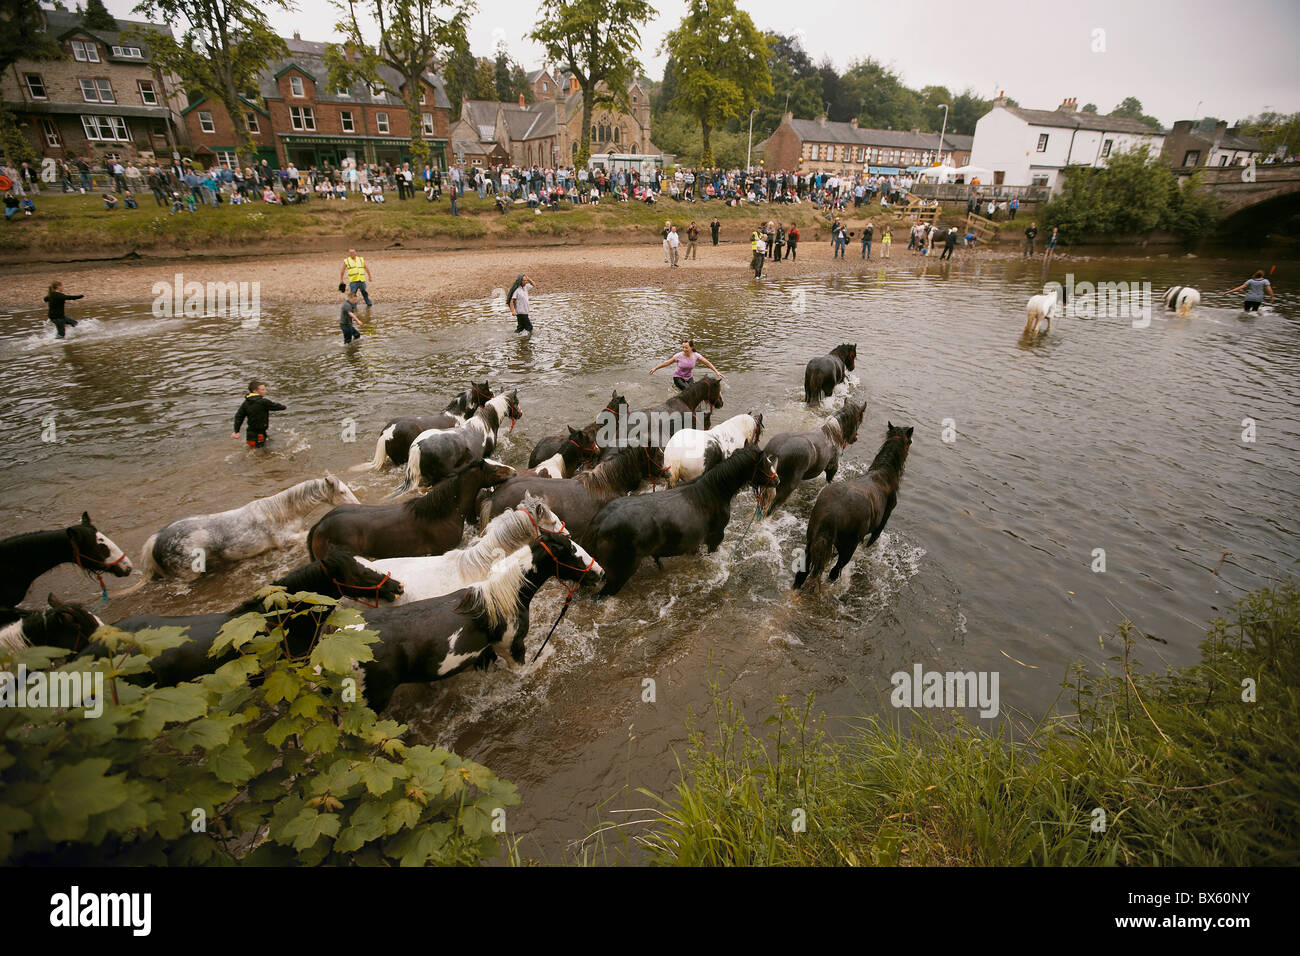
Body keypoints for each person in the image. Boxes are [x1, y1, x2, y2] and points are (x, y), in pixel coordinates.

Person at [649, 339, 724, 391]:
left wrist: (716, 372)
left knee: (695, 391)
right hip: (678, 378)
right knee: (689, 391)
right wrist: (655, 368)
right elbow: (667, 362)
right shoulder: (678, 356)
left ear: (691, 347)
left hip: (689, 378)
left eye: (686, 347)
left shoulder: (696, 355)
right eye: (683, 347)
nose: (684, 349)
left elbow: (707, 363)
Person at [231, 380, 285, 449]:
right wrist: (284, 406)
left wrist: (236, 431)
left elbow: (239, 417)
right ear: (255, 391)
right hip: (259, 435)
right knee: (262, 454)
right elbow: (279, 407)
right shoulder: (263, 402)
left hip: (251, 434)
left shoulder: (246, 403)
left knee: (255, 452)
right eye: (263, 389)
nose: (265, 391)